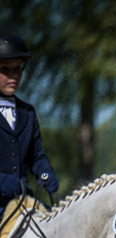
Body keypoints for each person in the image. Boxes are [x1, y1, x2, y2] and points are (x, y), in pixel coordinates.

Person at [0, 30, 59, 209]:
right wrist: (2, 180)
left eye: (18, 68)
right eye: (5, 69)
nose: (13, 75)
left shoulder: (28, 113)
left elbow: (36, 156)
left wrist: (46, 172)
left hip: (23, 202)